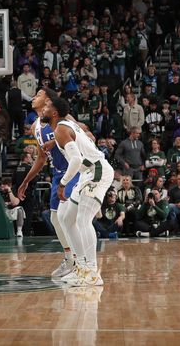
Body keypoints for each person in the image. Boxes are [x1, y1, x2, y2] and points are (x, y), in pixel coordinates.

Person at [47, 96, 114, 286]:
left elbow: (75, 160)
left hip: (97, 171)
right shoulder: (64, 123)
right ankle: (81, 268)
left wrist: (63, 184)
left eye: (47, 107)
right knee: (67, 218)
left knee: (83, 220)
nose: (43, 110)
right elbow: (76, 125)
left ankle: (92, 273)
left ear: (54, 113)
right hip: (87, 173)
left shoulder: (61, 128)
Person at [17, 88, 79, 279]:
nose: (34, 97)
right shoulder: (36, 126)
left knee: (67, 218)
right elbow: (42, 158)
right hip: (57, 174)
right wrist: (26, 181)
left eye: (39, 94)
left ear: (49, 100)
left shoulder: (62, 116)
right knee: (55, 219)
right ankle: (70, 259)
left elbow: (81, 133)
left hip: (74, 170)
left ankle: (80, 263)